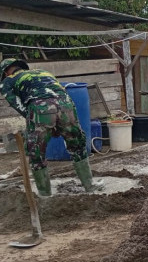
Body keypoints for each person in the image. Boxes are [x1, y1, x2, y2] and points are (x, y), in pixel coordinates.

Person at [0, 58, 101, 196]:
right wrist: (69, 124)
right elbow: (64, 95)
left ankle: (45, 194)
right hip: (66, 105)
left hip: (40, 107)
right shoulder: (43, 72)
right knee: (77, 144)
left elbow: (15, 102)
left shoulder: (8, 80)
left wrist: (31, 117)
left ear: (6, 72)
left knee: (36, 151)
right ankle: (90, 186)